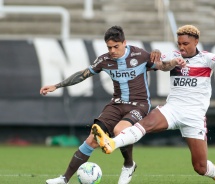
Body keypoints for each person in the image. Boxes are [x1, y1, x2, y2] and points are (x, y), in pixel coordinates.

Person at [92, 24, 215, 184]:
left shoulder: (207, 59)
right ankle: (112, 144)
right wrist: (155, 53)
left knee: (200, 167)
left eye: (185, 44)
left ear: (196, 41)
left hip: (194, 116)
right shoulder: (174, 56)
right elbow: (159, 63)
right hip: (173, 109)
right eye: (179, 43)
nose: (181, 47)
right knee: (145, 123)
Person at [41, 25, 185, 184]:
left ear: (124, 43)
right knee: (92, 140)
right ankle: (64, 179)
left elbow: (163, 66)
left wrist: (173, 62)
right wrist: (57, 85)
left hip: (139, 105)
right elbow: (83, 74)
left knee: (119, 130)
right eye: (109, 47)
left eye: (116, 46)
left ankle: (129, 165)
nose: (112, 50)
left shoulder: (140, 54)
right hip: (116, 104)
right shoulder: (104, 60)